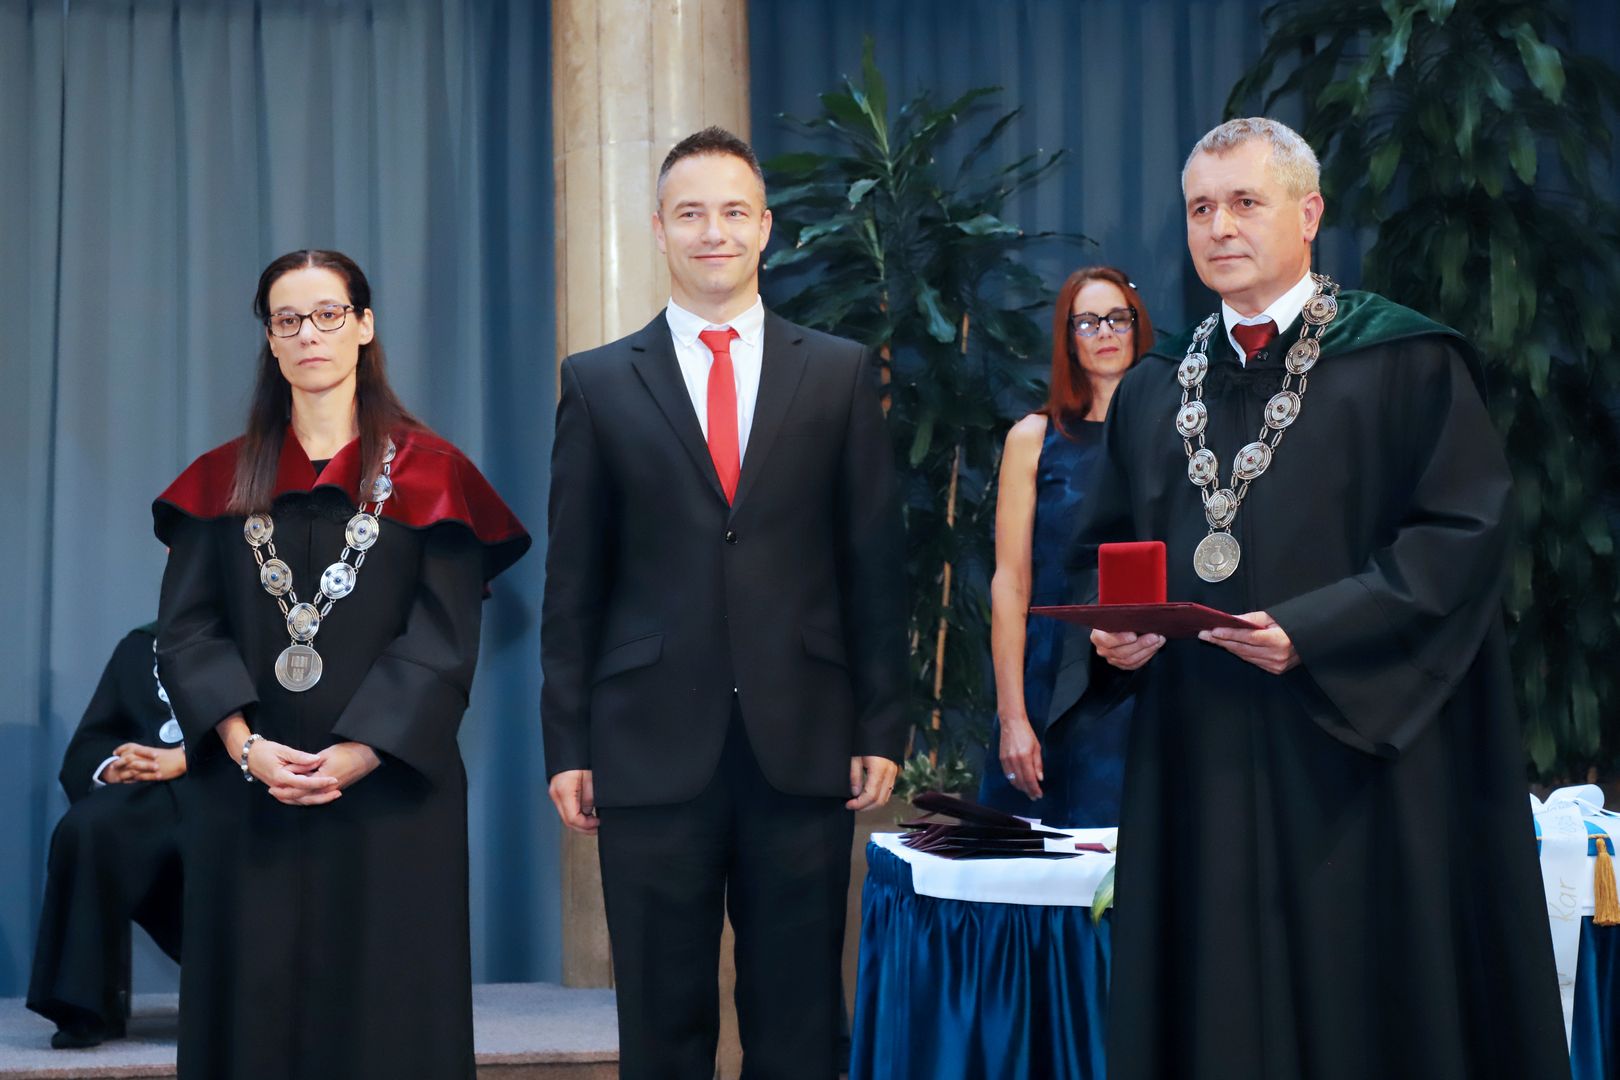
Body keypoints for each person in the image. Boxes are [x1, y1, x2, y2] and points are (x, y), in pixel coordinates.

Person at [1056, 118, 1569, 1078]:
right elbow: (1104, 552)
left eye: (1245, 202)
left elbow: (1462, 533)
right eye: (1200, 208)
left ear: (1309, 213)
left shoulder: (1403, 360)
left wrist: (1313, 629)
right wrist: (1113, 636)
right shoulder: (1156, 389)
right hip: (1200, 754)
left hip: (1359, 758)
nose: (1219, 227)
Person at [541, 126, 908, 1080]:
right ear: (659, 228)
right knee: (661, 1021)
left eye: (734, 212)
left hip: (804, 739)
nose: (715, 232)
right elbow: (573, 584)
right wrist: (568, 744)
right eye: (692, 213)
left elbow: (872, 565)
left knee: (799, 1019)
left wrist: (881, 722)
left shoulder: (837, 372)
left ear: (766, 228)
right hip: (648, 744)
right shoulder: (597, 382)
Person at [152, 249, 529, 1080]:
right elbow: (186, 633)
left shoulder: (435, 477)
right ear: (270, 340)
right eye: (287, 320)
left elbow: (443, 636)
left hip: (392, 796)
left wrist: (362, 750)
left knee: (387, 1022)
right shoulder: (218, 482)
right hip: (247, 795)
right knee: (251, 1018)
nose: (309, 334)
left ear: (363, 326)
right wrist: (246, 746)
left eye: (328, 314)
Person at [979, 266, 1150, 826]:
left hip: (1145, 674)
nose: (1105, 332)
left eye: (1118, 318)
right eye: (1087, 322)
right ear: (1068, 339)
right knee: (1033, 857)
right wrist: (1012, 717)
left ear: (1138, 327)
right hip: (1048, 677)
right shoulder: (1034, 437)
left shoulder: (1180, 435)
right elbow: (1010, 582)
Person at [27, 622, 185, 1050]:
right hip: (147, 798)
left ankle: (240, 1000)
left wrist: (185, 759)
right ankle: (85, 1005)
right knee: (88, 828)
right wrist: (112, 768)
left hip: (225, 790)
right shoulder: (140, 647)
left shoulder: (259, 642)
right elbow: (91, 741)